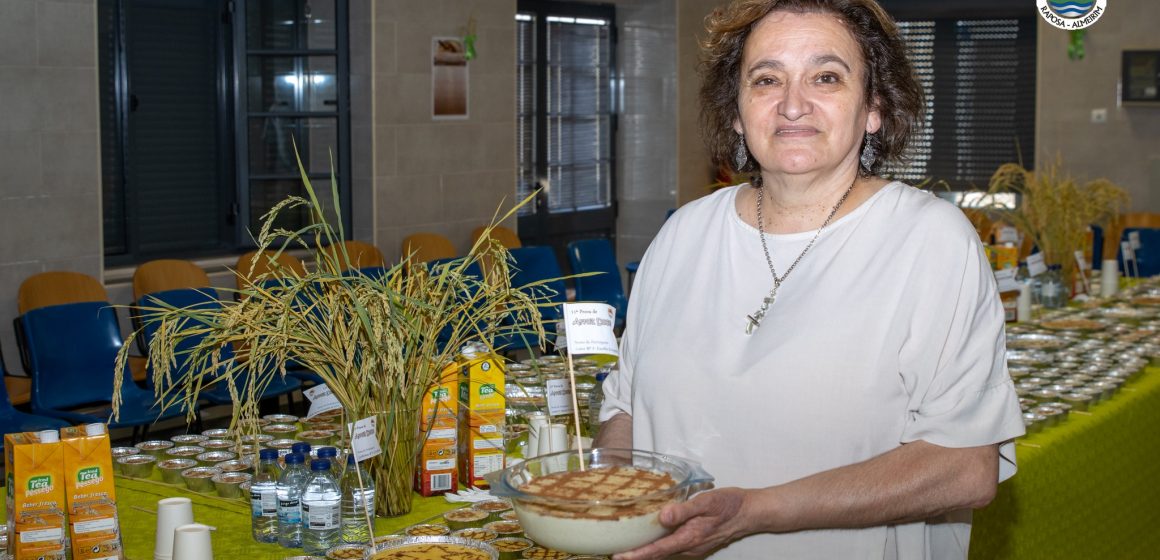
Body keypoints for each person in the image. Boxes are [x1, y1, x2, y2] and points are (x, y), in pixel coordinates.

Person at [594, 1, 1025, 558]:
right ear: (736, 110)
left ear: (873, 106)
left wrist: (753, 513)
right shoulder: (684, 235)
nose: (793, 105)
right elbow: (625, 409)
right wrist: (606, 497)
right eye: (767, 79)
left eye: (826, 77)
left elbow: (962, 468)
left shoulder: (930, 241)